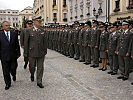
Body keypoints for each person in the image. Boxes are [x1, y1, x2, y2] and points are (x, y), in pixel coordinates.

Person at [24, 18, 47, 88]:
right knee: (32, 66)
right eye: (38, 22)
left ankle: (39, 81)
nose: (40, 24)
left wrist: (45, 50)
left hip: (41, 52)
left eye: (40, 22)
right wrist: (26, 52)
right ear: (35, 23)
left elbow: (45, 41)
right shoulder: (29, 30)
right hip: (32, 52)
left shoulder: (43, 30)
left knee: (40, 67)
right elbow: (26, 42)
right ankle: (32, 74)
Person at [0, 21, 20, 90]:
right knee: (5, 71)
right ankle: (7, 83)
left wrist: (18, 53)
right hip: (4, 56)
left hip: (13, 55)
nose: (8, 26)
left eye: (8, 25)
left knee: (13, 68)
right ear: (3, 27)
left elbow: (17, 44)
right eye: (6, 25)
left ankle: (13, 74)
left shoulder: (14, 33)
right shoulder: (0, 34)